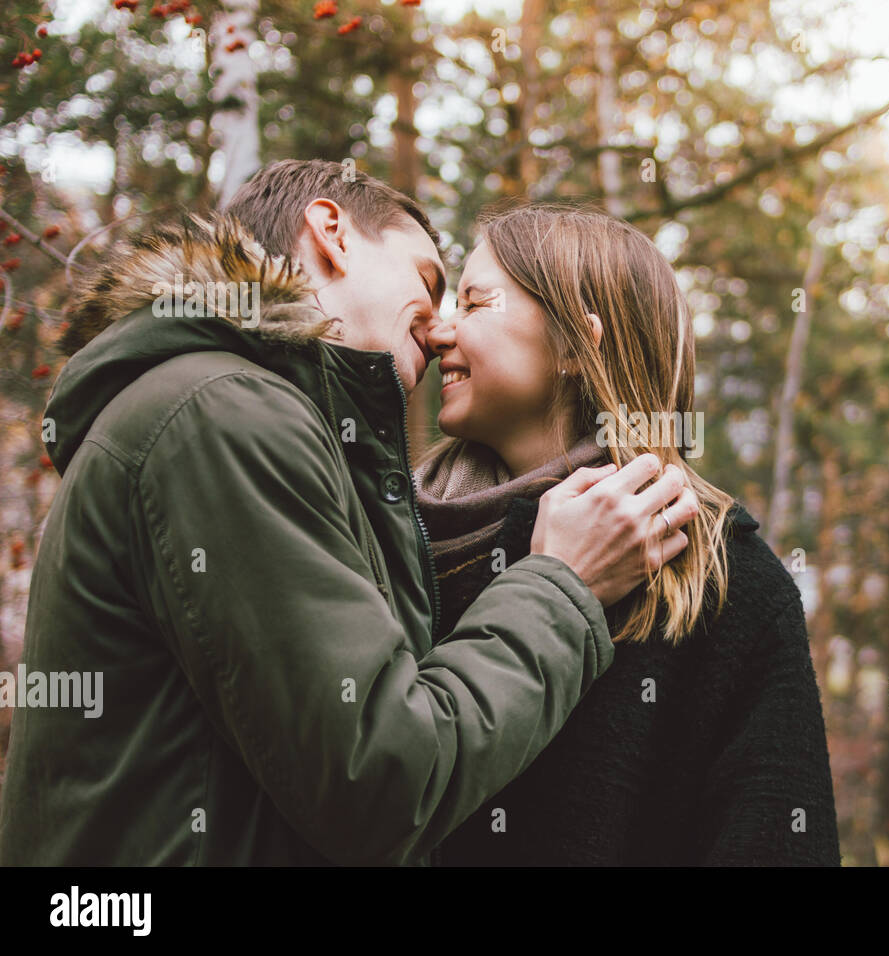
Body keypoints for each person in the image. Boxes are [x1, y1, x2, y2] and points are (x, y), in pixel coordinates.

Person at [0, 160, 697, 865]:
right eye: (429, 282)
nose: (439, 329)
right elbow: (382, 779)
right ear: (331, 232)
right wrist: (558, 584)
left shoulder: (227, 411)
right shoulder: (224, 413)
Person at [415, 202, 841, 865]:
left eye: (474, 304)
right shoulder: (391, 536)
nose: (440, 331)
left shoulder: (722, 580)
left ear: (574, 346)